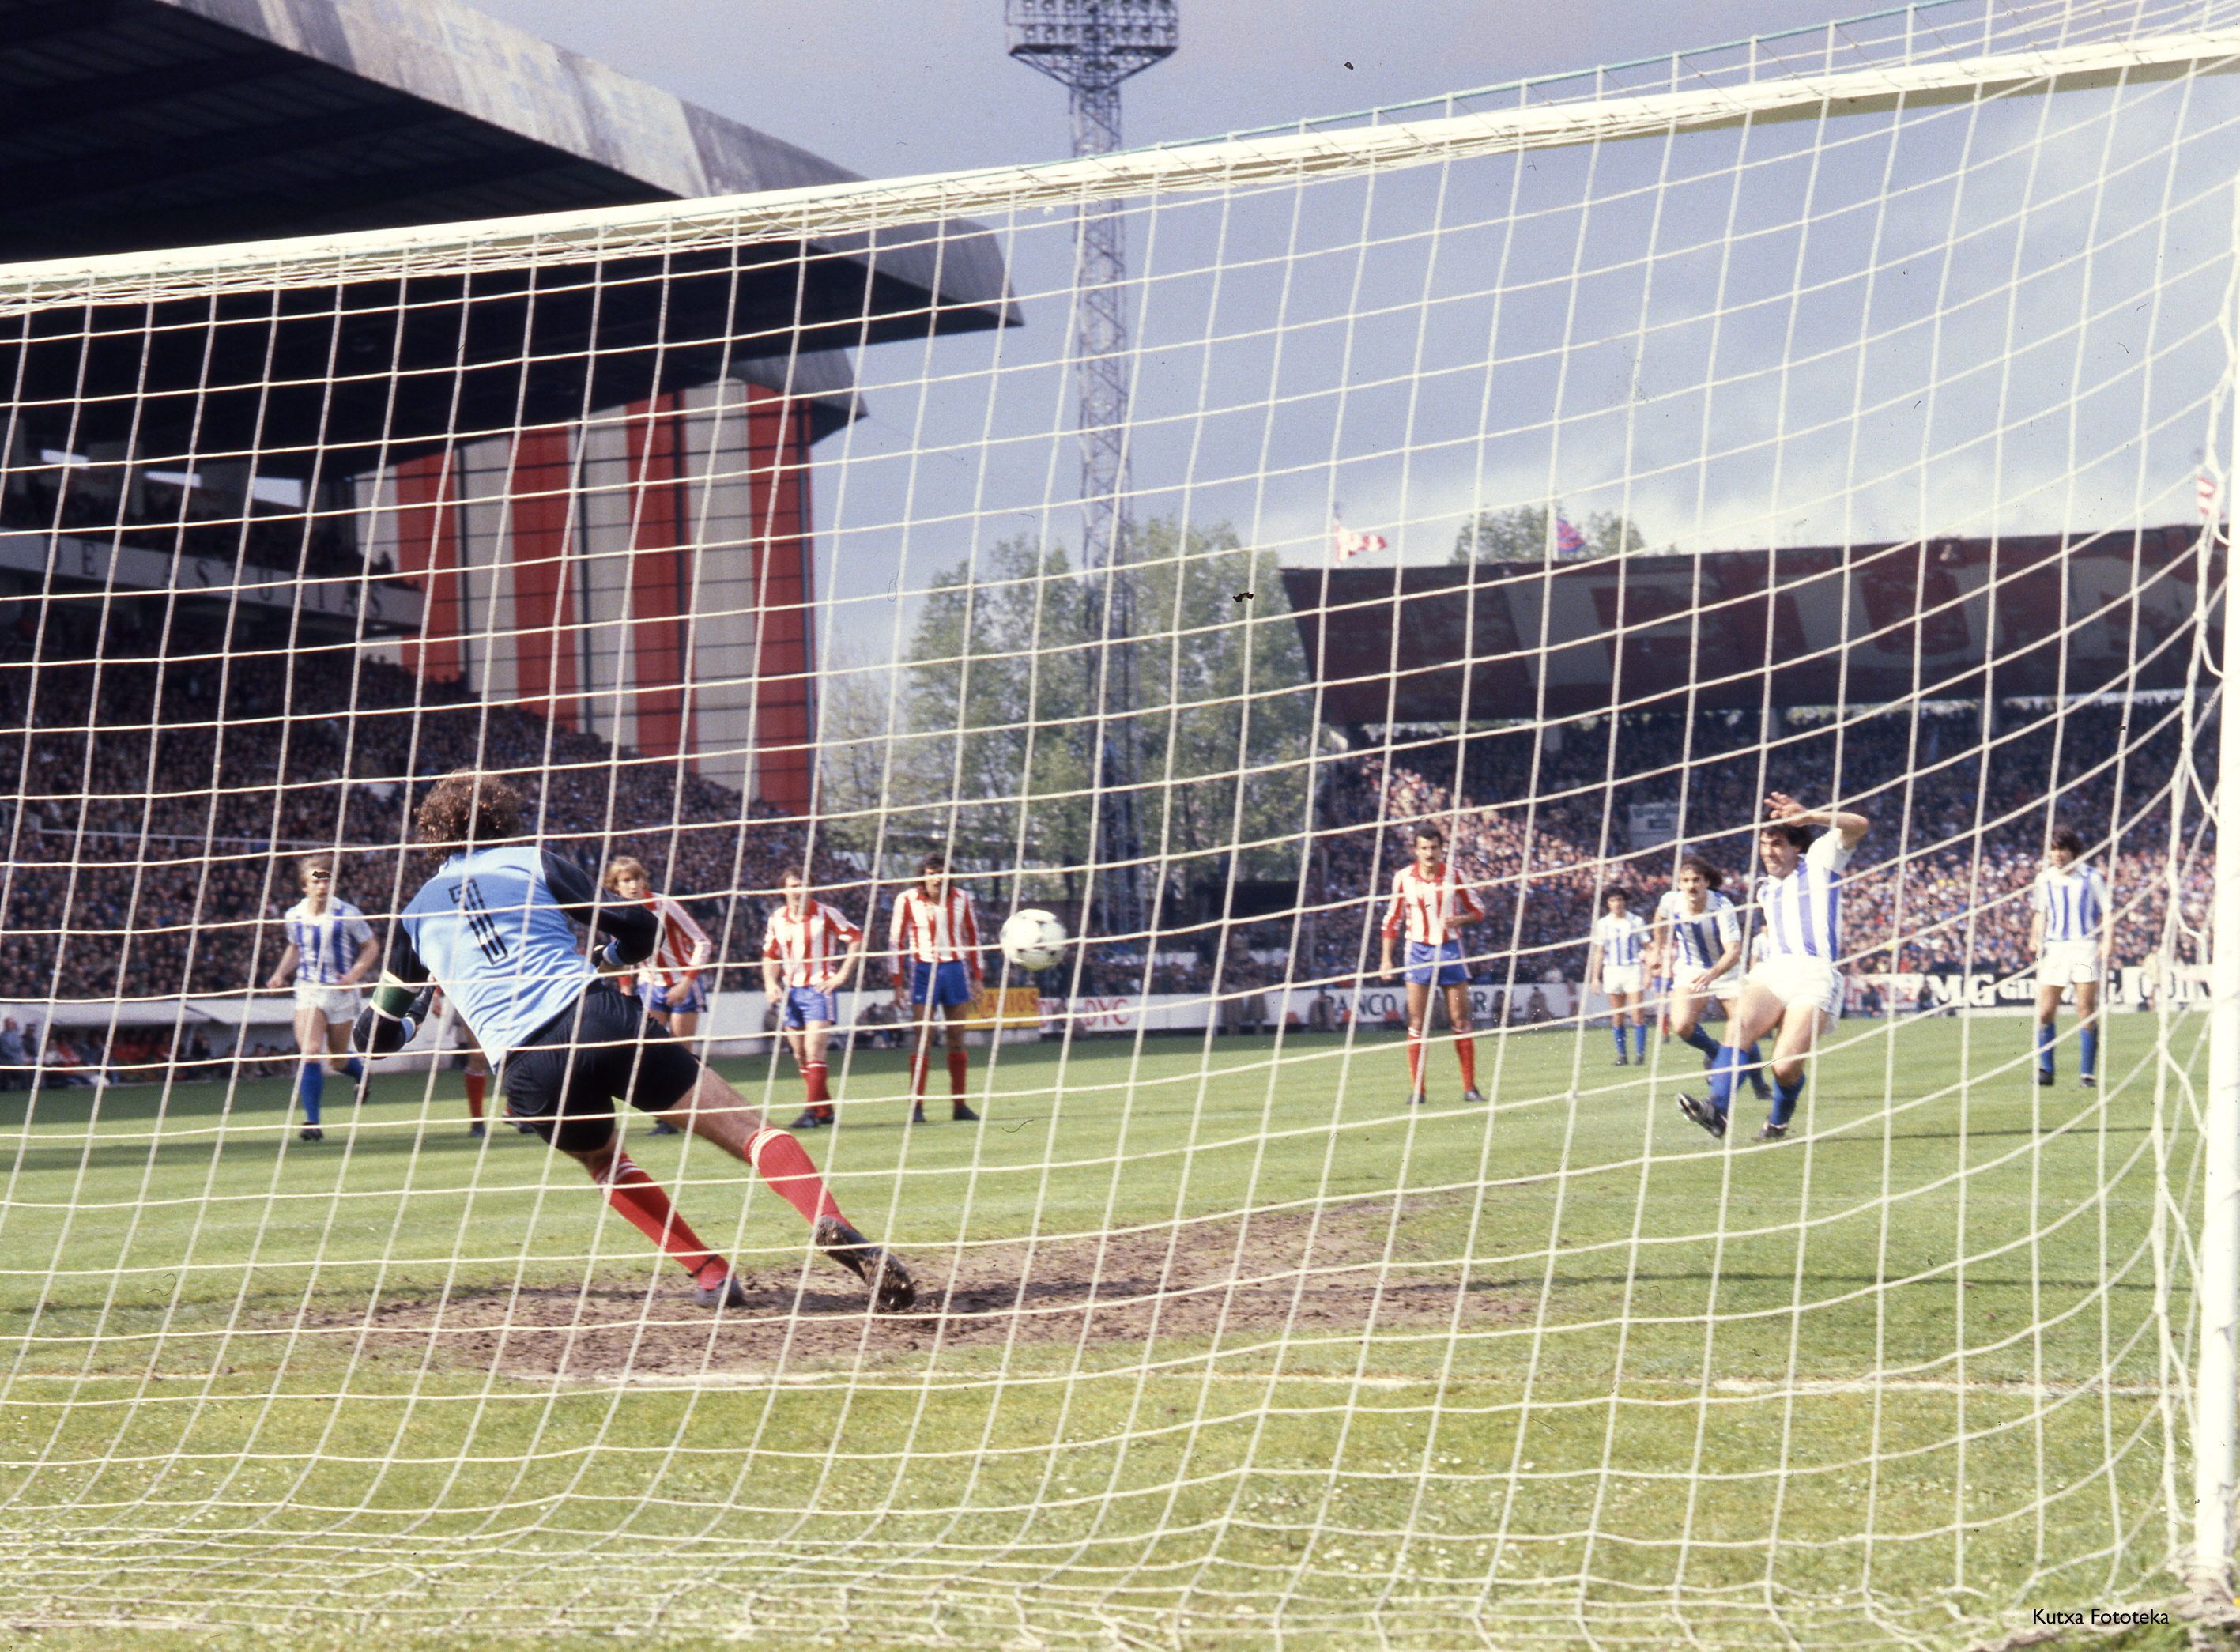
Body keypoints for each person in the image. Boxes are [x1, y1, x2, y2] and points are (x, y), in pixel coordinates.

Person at [352, 770, 914, 1314]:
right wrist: (604, 958)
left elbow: (375, 1038)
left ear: (432, 834)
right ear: (503, 820)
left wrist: (413, 1008)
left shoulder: (415, 915)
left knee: (603, 1162)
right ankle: (827, 1217)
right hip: (596, 1017)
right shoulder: (531, 862)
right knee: (746, 1129)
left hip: (527, 1068)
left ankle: (711, 1274)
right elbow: (639, 928)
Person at [1677, 793, 1871, 1144]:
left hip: (1815, 974)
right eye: (1764, 844)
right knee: (1738, 1029)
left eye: (1778, 843)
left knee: (1783, 1066)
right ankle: (1716, 1110)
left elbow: (1859, 825)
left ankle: (1778, 1122)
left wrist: (1811, 816)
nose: (1768, 851)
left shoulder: (1819, 862)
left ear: (1797, 846)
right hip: (1774, 970)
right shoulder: (1765, 889)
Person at [264, 855, 378, 1142]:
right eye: (316, 880)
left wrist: (353, 975)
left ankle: (359, 1073)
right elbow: (296, 948)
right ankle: (312, 1122)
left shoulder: (347, 914)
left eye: (327, 879)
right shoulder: (294, 916)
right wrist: (279, 974)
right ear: (305, 886)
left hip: (341, 993)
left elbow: (371, 947)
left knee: (337, 1061)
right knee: (311, 1051)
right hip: (308, 989)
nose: (323, 886)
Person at [603, 857, 715, 1137]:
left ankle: (703, 1106)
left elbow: (702, 941)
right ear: (615, 887)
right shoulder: (616, 912)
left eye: (636, 878)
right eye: (625, 881)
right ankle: (670, 1116)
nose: (633, 885)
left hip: (681, 984)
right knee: (652, 1051)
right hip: (650, 986)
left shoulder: (665, 905)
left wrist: (687, 982)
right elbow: (620, 953)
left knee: (681, 1053)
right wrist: (626, 985)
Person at [1378, 824, 1488, 1107]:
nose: (1429, 853)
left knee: (1460, 1019)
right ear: (1416, 850)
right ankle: (1418, 1090)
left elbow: (1478, 911)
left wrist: (1460, 920)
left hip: (1450, 950)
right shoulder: (1403, 878)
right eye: (1424, 848)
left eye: (1434, 847)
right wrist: (1386, 958)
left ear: (1441, 848)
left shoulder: (1455, 875)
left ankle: (1470, 1088)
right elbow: (1392, 920)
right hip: (1417, 952)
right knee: (1417, 1021)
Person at [1651, 857, 1770, 1102]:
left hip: (1726, 970)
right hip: (1690, 968)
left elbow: (1734, 951)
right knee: (1682, 1026)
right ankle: (1715, 1051)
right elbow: (1659, 919)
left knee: (1742, 1025)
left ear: (1707, 882)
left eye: (1696, 880)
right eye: (1685, 881)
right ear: (1679, 884)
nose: (1691, 885)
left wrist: (1712, 974)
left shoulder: (1721, 906)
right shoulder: (1670, 901)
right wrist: (1657, 949)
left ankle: (1759, 1084)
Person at [763, 869, 864, 1130]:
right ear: (784, 890)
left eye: (804, 885)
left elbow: (856, 937)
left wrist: (841, 975)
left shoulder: (826, 913)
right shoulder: (777, 918)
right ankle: (825, 1109)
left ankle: (811, 1113)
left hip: (819, 989)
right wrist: (771, 983)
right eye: (794, 886)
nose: (799, 890)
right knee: (799, 1055)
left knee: (814, 1051)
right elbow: (770, 955)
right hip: (790, 991)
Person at [890, 853, 983, 1124]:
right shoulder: (906, 900)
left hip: (954, 969)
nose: (938, 877)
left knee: (957, 1038)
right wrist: (896, 983)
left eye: (942, 872)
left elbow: (973, 935)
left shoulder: (963, 898)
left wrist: (977, 977)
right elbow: (895, 941)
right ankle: (917, 1107)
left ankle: (960, 1106)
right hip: (923, 970)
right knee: (923, 1039)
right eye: (932, 872)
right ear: (923, 875)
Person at [2030, 826, 2113, 1088]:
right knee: (2045, 1011)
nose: (2057, 855)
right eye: (2053, 849)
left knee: (2086, 1010)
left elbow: (2108, 912)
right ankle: (2046, 1070)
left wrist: (2107, 941)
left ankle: (2086, 1074)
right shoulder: (2044, 879)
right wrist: (2034, 937)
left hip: (2085, 949)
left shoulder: (2092, 878)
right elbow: (2040, 912)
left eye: (2061, 849)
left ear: (2073, 851)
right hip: (2055, 950)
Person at [1586, 888, 1650, 1066]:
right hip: (1612, 970)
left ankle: (1640, 1054)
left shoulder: (1636, 921)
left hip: (1633, 968)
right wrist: (1595, 978)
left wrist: (1648, 972)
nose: (1618, 904)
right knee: (1617, 1015)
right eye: (1613, 900)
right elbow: (1599, 952)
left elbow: (1647, 946)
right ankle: (1622, 1055)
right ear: (1608, 903)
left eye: (1620, 900)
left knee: (1637, 1014)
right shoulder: (1602, 924)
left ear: (1625, 901)